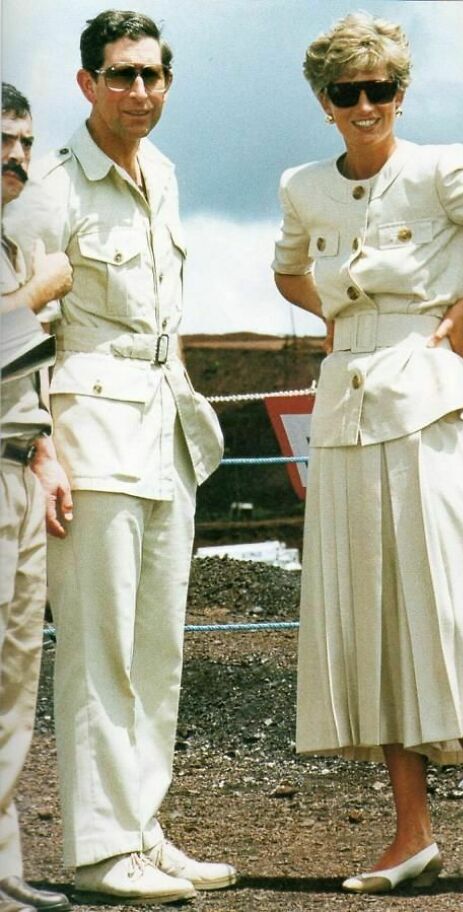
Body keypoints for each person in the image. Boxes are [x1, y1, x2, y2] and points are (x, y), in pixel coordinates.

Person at [273, 11, 463, 897]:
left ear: (401, 94)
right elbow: (286, 268)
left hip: (429, 403)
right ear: (326, 103)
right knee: (372, 617)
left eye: (381, 90)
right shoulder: (302, 186)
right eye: (348, 93)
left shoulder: (442, 168)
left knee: (457, 611)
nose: (366, 105)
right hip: (344, 410)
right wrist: (331, 315)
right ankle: (409, 834)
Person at [4, 11, 235, 905]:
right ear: (87, 84)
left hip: (163, 431)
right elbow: (26, 328)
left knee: (157, 648)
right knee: (97, 649)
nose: (139, 91)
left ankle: (141, 828)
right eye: (121, 74)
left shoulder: (164, 173)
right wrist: (45, 449)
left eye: (152, 75)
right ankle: (99, 851)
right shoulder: (50, 188)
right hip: (89, 438)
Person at [1, 82, 73, 912]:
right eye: (0, 140)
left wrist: (45, 448)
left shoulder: (16, 247)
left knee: (17, 684)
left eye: (24, 141)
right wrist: (39, 295)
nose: (15, 156)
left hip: (20, 474)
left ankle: (5, 871)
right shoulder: (31, 270)